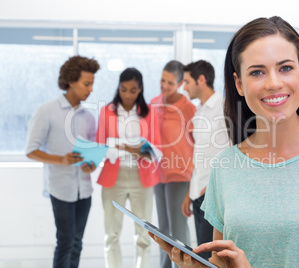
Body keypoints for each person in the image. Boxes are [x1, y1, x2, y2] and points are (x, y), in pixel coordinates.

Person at [150, 16, 299, 268]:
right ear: (239, 84)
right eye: (257, 72)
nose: (273, 83)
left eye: (285, 68)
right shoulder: (224, 166)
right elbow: (224, 262)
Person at [25, 55, 100, 268]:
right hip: (61, 189)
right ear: (71, 82)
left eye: (92, 84)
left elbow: (91, 151)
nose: (91, 89)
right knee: (65, 242)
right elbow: (31, 150)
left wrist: (91, 163)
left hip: (84, 189)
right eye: (87, 84)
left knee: (77, 243)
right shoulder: (47, 111)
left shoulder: (88, 116)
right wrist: (61, 160)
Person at [95, 67, 162, 268]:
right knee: (112, 233)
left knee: (143, 233)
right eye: (123, 89)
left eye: (132, 90)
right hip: (113, 175)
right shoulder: (106, 112)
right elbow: (99, 146)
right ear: (119, 87)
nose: (127, 95)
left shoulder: (149, 112)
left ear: (140, 89)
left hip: (141, 177)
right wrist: (117, 148)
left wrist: (137, 151)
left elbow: (157, 149)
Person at [180, 60, 230, 260]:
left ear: (201, 80)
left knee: (211, 257)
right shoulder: (199, 111)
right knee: (201, 253)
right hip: (198, 193)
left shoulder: (224, 107)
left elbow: (233, 153)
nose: (184, 87)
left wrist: (212, 188)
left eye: (186, 81)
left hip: (214, 195)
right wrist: (188, 194)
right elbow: (199, 156)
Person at [150, 60, 197, 268]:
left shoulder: (189, 108)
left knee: (177, 230)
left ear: (179, 83)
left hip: (180, 173)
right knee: (163, 230)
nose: (164, 85)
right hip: (158, 174)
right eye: (162, 80)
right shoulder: (153, 103)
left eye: (170, 82)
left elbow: (198, 143)